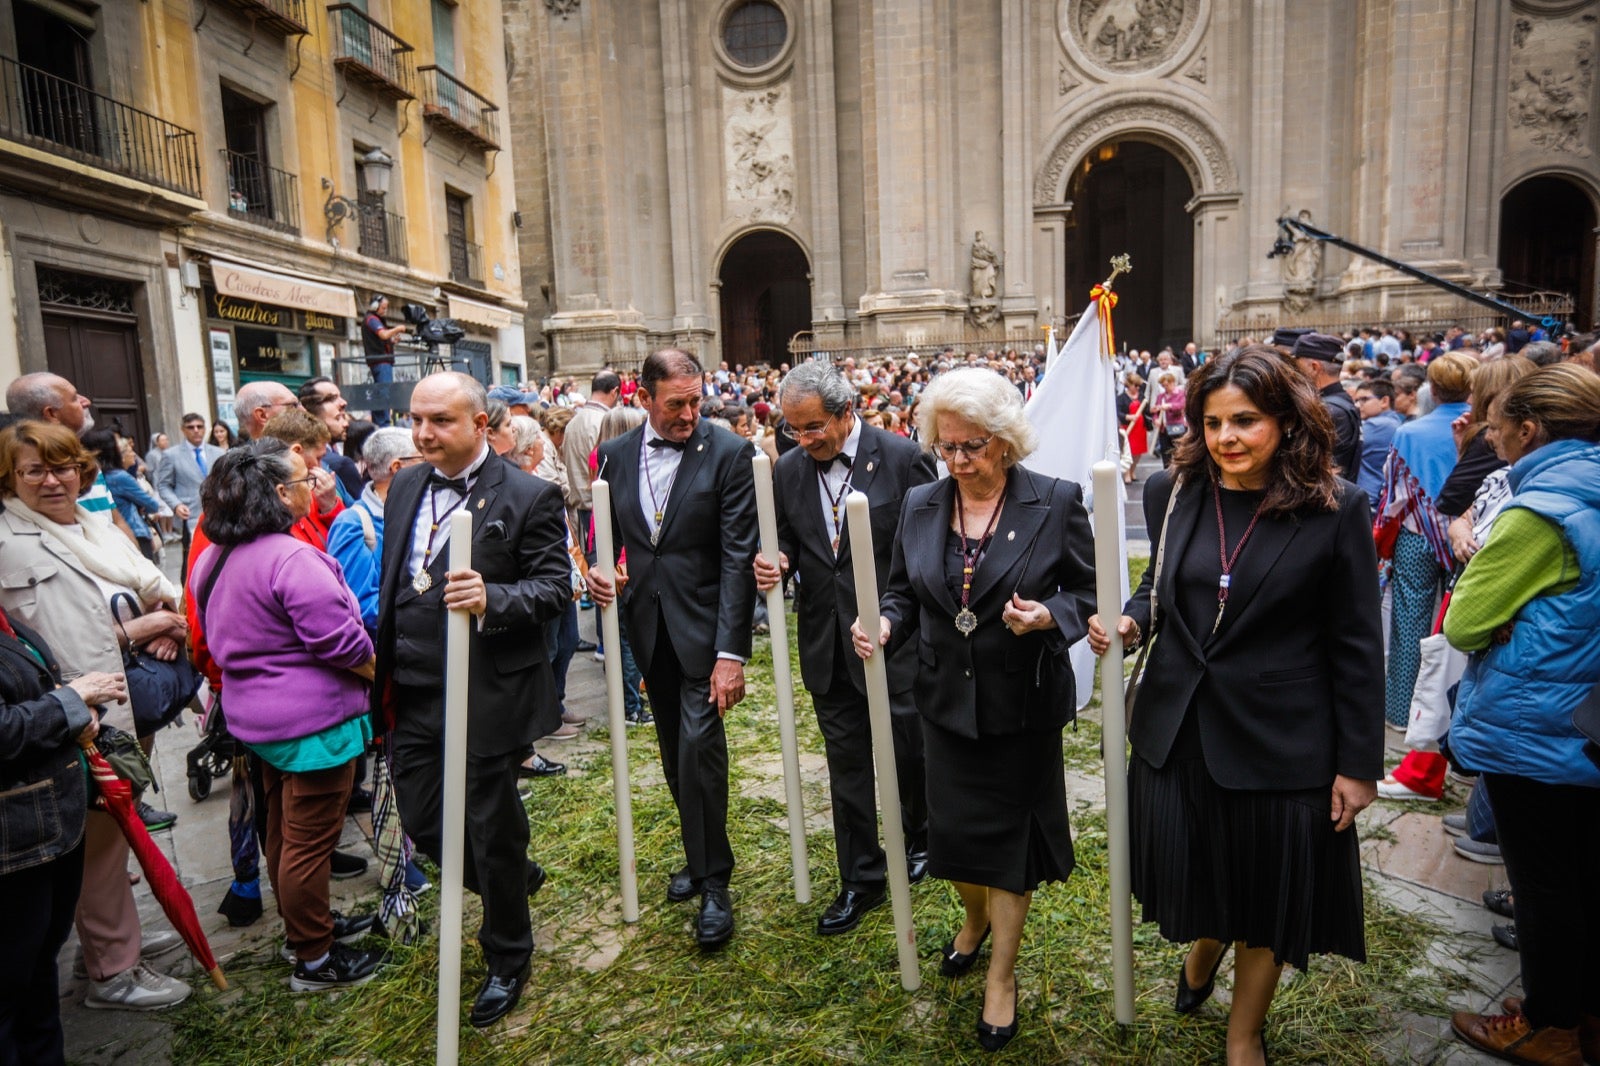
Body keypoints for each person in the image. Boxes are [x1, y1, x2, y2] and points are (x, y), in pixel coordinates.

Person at [1087, 346, 1383, 1066]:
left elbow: (1355, 643)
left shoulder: (1337, 509)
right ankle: (1204, 945)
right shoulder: (1174, 492)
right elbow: (1161, 583)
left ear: (1286, 419)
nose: (1227, 439)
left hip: (1285, 739)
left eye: (1246, 421)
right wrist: (1131, 621)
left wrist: (1358, 765)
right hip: (1178, 726)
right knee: (1204, 871)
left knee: (1271, 892)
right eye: (1213, 422)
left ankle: (1243, 1032)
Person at [850, 366, 1094, 1052]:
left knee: (1010, 847)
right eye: (947, 446)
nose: (958, 461)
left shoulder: (1056, 499)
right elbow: (900, 590)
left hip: (1022, 703)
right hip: (945, 701)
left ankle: (1002, 978)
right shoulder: (923, 502)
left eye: (973, 447)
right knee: (956, 845)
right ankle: (974, 916)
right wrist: (886, 622)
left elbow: (1092, 587)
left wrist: (1051, 613)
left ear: (1007, 443)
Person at [371, 371, 570, 1026]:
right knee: (425, 822)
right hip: (416, 690)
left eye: (441, 421)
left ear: (481, 424)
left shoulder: (529, 494)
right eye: (417, 419)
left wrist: (495, 599)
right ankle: (510, 876)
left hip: (489, 692)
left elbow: (553, 588)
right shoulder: (403, 483)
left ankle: (507, 954)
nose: (424, 433)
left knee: (487, 821)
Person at [0, 421, 193, 1011]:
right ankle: (114, 971)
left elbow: (150, 590)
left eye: (63, 465)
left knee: (112, 840)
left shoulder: (92, 524)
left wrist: (165, 627)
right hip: (71, 717)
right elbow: (23, 646)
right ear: (10, 479)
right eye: (35, 470)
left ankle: (105, 944)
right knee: (98, 843)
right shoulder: (6, 541)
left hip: (127, 703)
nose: (53, 480)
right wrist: (141, 630)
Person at [1444, 364, 1600, 1066]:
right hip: (1584, 716)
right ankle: (1582, 1012)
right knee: (1584, 873)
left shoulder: (1540, 511)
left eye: (1497, 422)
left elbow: (1467, 620)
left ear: (1528, 429)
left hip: (1539, 723)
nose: (1490, 432)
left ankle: (1550, 1026)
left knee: (1544, 887)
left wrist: (1508, 613)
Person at [189, 440, 384, 991]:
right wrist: (386, 677)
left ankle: (308, 929)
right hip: (312, 726)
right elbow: (343, 644)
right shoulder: (290, 558)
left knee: (281, 832)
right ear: (279, 494)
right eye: (303, 479)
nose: (313, 482)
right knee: (307, 843)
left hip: (259, 722)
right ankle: (315, 959)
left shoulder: (213, 554)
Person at [756, 361, 935, 937]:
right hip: (826, 641)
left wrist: (893, 617)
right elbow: (787, 533)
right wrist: (778, 558)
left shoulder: (903, 458)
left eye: (813, 428)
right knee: (846, 765)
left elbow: (927, 545)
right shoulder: (787, 470)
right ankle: (861, 876)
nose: (804, 440)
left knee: (908, 751)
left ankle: (923, 838)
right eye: (793, 430)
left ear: (844, 412)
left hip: (895, 638)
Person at [587, 349, 759, 952]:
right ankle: (699, 850)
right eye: (675, 403)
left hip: (706, 631)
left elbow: (739, 556)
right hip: (647, 629)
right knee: (670, 753)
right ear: (645, 398)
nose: (690, 413)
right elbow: (606, 540)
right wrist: (601, 571)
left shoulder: (731, 452)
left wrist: (731, 653)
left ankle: (715, 883)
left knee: (698, 749)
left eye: (696, 400)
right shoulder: (611, 456)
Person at [0, 602, 123, 1065]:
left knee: (36, 975)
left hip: (41, 831)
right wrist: (71, 701)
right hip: (14, 847)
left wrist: (74, 711)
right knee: (13, 986)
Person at [1374, 352, 1474, 795]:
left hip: (1416, 537)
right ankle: (1450, 723)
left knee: (1409, 625)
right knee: (1455, 630)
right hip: (1467, 537)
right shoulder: (1478, 427)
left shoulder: (1409, 431)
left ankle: (1401, 713)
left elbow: (1393, 493)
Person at [1292, 332, 1363, 481]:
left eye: (1296, 366)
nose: (1294, 373)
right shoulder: (1340, 402)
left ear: (1314, 367)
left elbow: (1310, 471)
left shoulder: (1328, 410)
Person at [84, 430, 163, 562]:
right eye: (129, 450)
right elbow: (152, 504)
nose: (133, 453)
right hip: (133, 532)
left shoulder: (99, 475)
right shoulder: (119, 477)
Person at [156, 413, 224, 538]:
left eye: (199, 426)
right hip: (190, 517)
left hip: (219, 516)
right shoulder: (171, 455)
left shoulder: (218, 453)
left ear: (205, 428)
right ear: (183, 430)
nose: (196, 431)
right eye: (191, 427)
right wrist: (176, 505)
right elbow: (164, 485)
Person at [1353, 379, 1403, 505]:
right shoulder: (1391, 422)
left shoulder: (1381, 425)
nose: (1358, 405)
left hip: (1369, 497)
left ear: (1384, 401)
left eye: (1364, 399)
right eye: (1356, 400)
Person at [362, 296, 407, 427]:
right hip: (381, 362)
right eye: (383, 308)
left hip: (379, 361)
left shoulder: (373, 319)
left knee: (381, 393)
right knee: (384, 394)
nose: (385, 311)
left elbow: (382, 339)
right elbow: (383, 334)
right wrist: (398, 329)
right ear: (375, 306)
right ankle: (383, 423)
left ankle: (381, 421)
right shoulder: (372, 319)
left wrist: (392, 342)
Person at [1153, 371, 1188, 467]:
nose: (1165, 387)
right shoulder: (1161, 396)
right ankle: (1167, 474)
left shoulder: (1180, 394)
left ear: (1173, 382)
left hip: (1178, 427)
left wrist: (1169, 406)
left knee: (1179, 452)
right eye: (1163, 386)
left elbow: (1181, 405)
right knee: (1166, 453)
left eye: (1167, 385)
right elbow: (1156, 411)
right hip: (1164, 429)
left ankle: (1180, 472)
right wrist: (1155, 419)